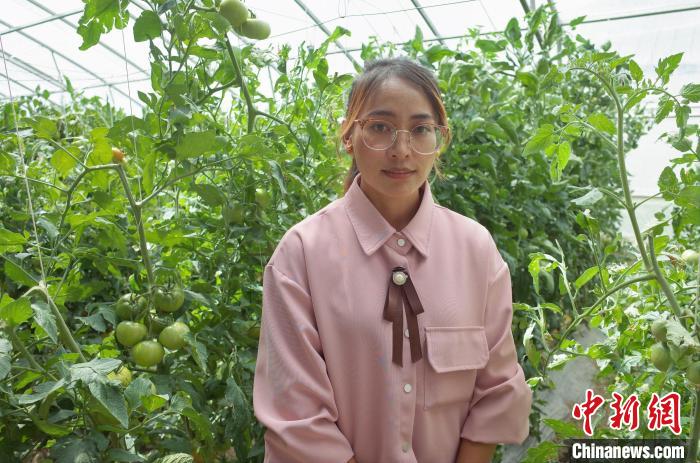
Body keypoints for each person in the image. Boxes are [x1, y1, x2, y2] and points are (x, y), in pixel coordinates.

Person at [252, 57, 532, 463]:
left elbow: (497, 389)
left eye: (420, 130)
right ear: (349, 136)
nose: (401, 151)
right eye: (380, 127)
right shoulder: (301, 254)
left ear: (440, 139)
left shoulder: (475, 250)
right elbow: (296, 414)